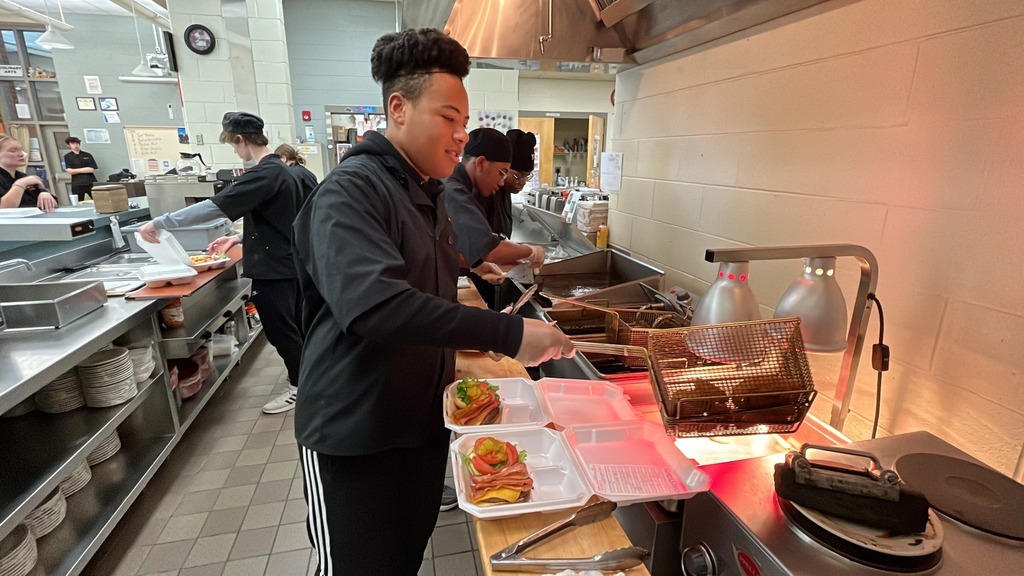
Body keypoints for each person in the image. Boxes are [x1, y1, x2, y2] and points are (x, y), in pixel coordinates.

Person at [292, 28, 574, 575]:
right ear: (398, 107)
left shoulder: (426, 191)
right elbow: (377, 306)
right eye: (448, 119)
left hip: (419, 423)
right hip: (356, 435)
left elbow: (420, 277)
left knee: (402, 560)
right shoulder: (351, 191)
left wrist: (470, 269)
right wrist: (509, 333)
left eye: (463, 123)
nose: (461, 136)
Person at [137, 113, 304, 413]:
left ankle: (300, 387)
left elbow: (214, 208)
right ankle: (306, 381)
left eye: (233, 145)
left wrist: (161, 222)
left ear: (240, 139)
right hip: (286, 263)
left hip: (275, 269)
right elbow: (276, 220)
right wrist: (238, 239)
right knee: (292, 328)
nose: (235, 151)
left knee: (283, 332)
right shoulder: (279, 171)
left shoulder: (264, 173)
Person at [444, 127, 545, 310]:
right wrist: (530, 251)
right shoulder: (454, 192)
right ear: (481, 163)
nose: (501, 182)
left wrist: (477, 266)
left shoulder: (463, 185)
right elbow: (487, 248)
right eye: (502, 173)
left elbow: (443, 244)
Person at [0, 134, 57, 211]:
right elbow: (3, 208)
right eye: (13, 151)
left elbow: (52, 201)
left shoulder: (22, 176)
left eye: (21, 150)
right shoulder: (24, 180)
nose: (22, 154)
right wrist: (21, 184)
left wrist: (44, 194)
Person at [63, 136, 98, 202]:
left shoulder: (87, 155)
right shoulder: (67, 156)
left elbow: (91, 169)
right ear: (69, 145)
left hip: (90, 181)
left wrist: (75, 170)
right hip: (77, 183)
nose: (75, 145)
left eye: (77, 143)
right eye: (73, 143)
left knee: (97, 200)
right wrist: (84, 169)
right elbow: (69, 171)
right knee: (78, 202)